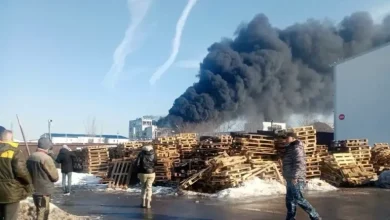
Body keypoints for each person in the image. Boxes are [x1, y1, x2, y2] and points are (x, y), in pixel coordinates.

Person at [282, 132, 321, 220]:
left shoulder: (297, 148)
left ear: (293, 138)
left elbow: (299, 163)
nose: (285, 140)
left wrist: (295, 177)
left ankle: (315, 216)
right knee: (289, 200)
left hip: (296, 178)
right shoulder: (290, 148)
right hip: (290, 177)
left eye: (287, 138)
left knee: (298, 199)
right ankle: (290, 218)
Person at [0, 128, 33, 220]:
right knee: (10, 217)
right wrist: (29, 183)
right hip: (10, 192)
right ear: (11, 139)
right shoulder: (14, 152)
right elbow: (21, 172)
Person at [27, 137, 59, 220]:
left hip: (34, 189)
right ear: (47, 147)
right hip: (44, 191)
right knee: (43, 212)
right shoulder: (46, 158)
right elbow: (55, 177)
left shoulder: (31, 157)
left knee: (38, 209)